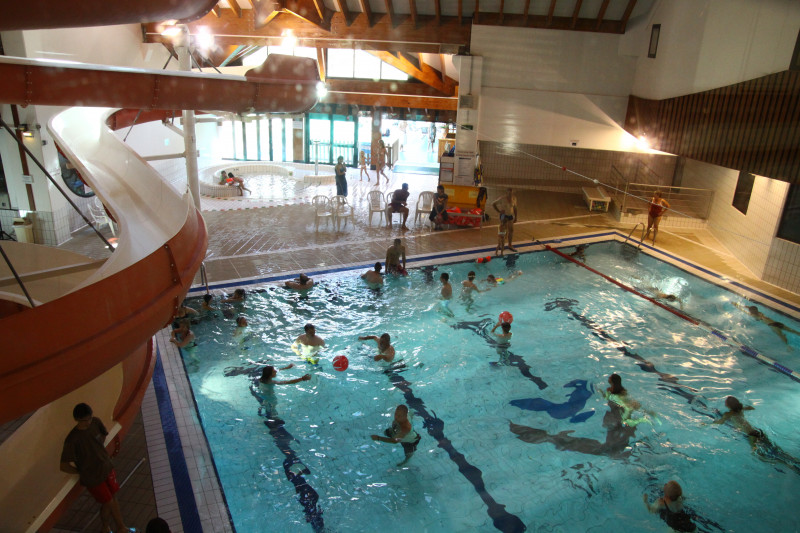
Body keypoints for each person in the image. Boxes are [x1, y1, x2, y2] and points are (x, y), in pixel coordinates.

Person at [60, 403, 134, 533]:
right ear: (77, 419)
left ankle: (106, 528)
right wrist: (81, 472)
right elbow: (64, 465)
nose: (88, 422)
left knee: (111, 499)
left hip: (106, 467)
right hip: (92, 478)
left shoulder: (95, 422)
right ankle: (121, 528)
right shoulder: (72, 440)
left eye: (89, 418)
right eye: (84, 421)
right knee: (109, 501)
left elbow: (103, 434)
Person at [733, 302, 800, 344]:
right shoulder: (760, 313)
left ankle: (788, 347)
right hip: (776, 322)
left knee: (781, 336)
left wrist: (737, 305)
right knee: (793, 331)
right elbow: (750, 309)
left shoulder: (753, 315)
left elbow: (744, 311)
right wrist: (746, 307)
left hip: (773, 326)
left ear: (751, 312)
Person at [492, 188, 518, 253]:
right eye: (509, 193)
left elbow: (515, 208)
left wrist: (516, 217)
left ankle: (510, 245)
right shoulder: (502, 199)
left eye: (511, 193)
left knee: (511, 230)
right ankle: (500, 244)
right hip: (504, 216)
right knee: (502, 230)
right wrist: (499, 211)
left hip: (510, 216)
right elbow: (493, 204)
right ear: (506, 193)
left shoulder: (514, 199)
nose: (510, 194)